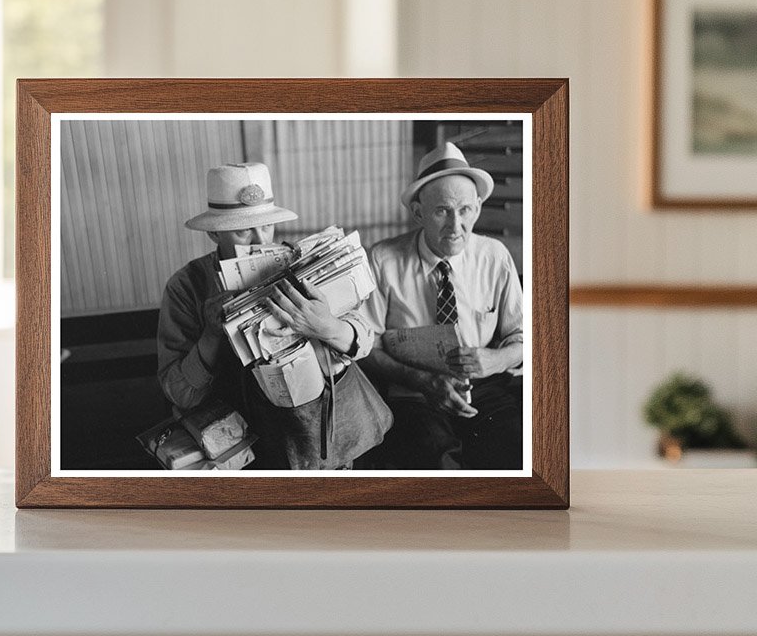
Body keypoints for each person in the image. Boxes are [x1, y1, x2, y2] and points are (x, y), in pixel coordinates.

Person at [157, 162, 375, 468]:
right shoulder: (187, 285)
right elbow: (180, 393)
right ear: (214, 234)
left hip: (314, 433)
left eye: (267, 226)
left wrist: (327, 326)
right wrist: (210, 335)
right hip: (236, 443)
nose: (261, 241)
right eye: (244, 230)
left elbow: (365, 339)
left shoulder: (300, 262)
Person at [358, 142, 524, 470]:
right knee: (433, 465)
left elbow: (521, 337)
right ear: (418, 212)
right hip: (413, 393)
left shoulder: (495, 257)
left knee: (516, 451)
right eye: (441, 211)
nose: (455, 226)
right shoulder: (382, 259)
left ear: (477, 208)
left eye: (465, 210)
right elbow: (367, 346)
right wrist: (421, 381)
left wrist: (494, 359)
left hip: (484, 386)